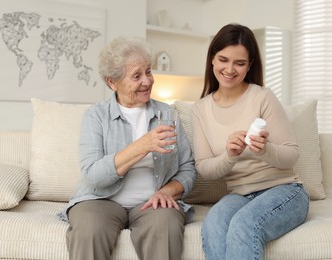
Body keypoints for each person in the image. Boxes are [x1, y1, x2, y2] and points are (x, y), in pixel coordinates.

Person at [59, 36, 196, 260]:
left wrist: (166, 192)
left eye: (149, 72)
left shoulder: (167, 114)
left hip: (152, 202)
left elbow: (188, 168)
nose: (147, 81)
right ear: (112, 82)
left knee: (166, 226)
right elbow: (93, 176)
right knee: (90, 229)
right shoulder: (96, 115)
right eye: (136, 76)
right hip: (100, 200)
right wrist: (142, 146)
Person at [191, 23, 309, 260]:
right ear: (212, 59)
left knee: (244, 224)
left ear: (249, 65)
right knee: (213, 223)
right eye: (223, 59)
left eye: (240, 63)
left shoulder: (262, 97)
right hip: (240, 195)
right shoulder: (200, 109)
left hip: (284, 190)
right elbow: (204, 168)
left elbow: (291, 155)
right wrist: (229, 156)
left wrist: (265, 150)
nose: (230, 69)